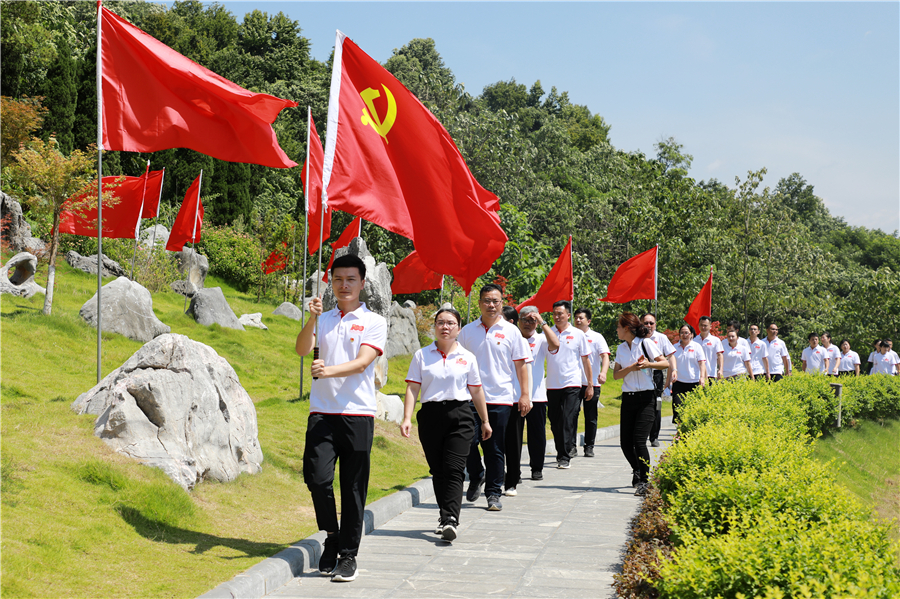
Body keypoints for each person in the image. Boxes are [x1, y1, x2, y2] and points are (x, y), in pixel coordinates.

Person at [295, 254, 388, 582]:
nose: (343, 285)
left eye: (350, 279)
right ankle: (332, 536)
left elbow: (363, 363)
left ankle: (348, 555)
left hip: (357, 413)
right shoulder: (324, 318)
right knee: (317, 479)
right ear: (331, 283)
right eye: (337, 279)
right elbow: (302, 349)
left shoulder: (374, 321)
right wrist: (312, 319)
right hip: (322, 412)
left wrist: (328, 371)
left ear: (362, 283)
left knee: (353, 487)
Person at [401, 308, 492, 542]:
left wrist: (484, 420)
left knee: (454, 469)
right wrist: (407, 418)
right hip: (430, 416)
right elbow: (413, 387)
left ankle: (451, 519)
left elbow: (476, 391)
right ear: (434, 327)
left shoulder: (467, 357)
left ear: (459, 329)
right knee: (438, 470)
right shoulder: (422, 355)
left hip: (460, 416)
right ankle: (444, 517)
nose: (445, 327)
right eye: (440, 322)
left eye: (451, 323)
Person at [459, 284, 531, 512]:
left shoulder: (511, 332)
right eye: (487, 301)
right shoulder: (467, 331)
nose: (491, 305)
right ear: (480, 303)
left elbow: (521, 365)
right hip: (469, 398)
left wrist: (525, 395)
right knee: (467, 442)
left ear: (502, 303)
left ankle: (493, 493)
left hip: (500, 398)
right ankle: (476, 474)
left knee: (494, 447)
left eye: (495, 301)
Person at [613, 313, 669, 496]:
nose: (616, 330)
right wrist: (632, 368)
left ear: (626, 328)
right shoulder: (621, 348)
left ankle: (645, 481)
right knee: (625, 443)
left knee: (639, 441)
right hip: (628, 398)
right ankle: (637, 469)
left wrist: (647, 364)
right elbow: (616, 375)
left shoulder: (645, 343)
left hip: (646, 398)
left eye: (618, 327)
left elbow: (665, 363)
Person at [512, 306, 560, 483]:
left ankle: (537, 468)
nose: (528, 323)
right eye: (525, 319)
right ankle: (514, 472)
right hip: (514, 396)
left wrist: (542, 322)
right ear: (518, 321)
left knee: (537, 435)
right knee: (514, 437)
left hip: (537, 396)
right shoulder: (513, 338)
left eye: (532, 320)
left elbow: (556, 344)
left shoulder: (541, 339)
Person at [546, 300, 592, 469]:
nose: (557, 317)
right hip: (552, 384)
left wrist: (590, 384)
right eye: (554, 314)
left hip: (572, 383)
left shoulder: (578, 334)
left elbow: (585, 360)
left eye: (560, 313)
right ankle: (561, 450)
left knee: (567, 419)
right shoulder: (547, 332)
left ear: (568, 315)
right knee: (555, 421)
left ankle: (564, 456)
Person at [499, 306, 531, 497]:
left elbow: (526, 369)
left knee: (513, 442)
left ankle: (512, 480)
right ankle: (497, 477)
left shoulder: (516, 337)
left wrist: (526, 396)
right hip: (492, 398)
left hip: (513, 398)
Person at [573, 308, 610, 457]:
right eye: (576, 317)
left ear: (588, 321)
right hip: (574, 383)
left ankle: (589, 446)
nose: (578, 320)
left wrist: (603, 372)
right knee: (571, 415)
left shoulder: (596, 337)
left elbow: (605, 356)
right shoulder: (570, 335)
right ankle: (571, 446)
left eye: (581, 318)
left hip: (592, 383)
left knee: (591, 416)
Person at [642, 313, 676, 447]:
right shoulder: (637, 337)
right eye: (646, 323)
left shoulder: (661, 338)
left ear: (655, 325)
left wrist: (674, 370)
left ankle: (654, 436)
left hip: (656, 374)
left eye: (651, 323)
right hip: (640, 374)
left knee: (656, 405)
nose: (648, 325)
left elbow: (671, 356)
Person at [671, 324, 707, 424]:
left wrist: (702, 378)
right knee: (678, 409)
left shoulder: (697, 346)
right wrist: (668, 382)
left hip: (694, 382)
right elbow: (671, 365)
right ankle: (680, 430)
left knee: (694, 410)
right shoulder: (674, 347)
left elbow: (702, 363)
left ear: (691, 334)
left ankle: (691, 429)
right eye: (682, 333)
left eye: (686, 333)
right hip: (679, 382)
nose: (684, 335)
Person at [694, 316, 724, 382]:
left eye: (705, 325)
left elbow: (720, 355)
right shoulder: (694, 340)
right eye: (701, 325)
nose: (703, 327)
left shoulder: (715, 340)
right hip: (696, 374)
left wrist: (721, 369)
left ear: (710, 326)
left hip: (711, 373)